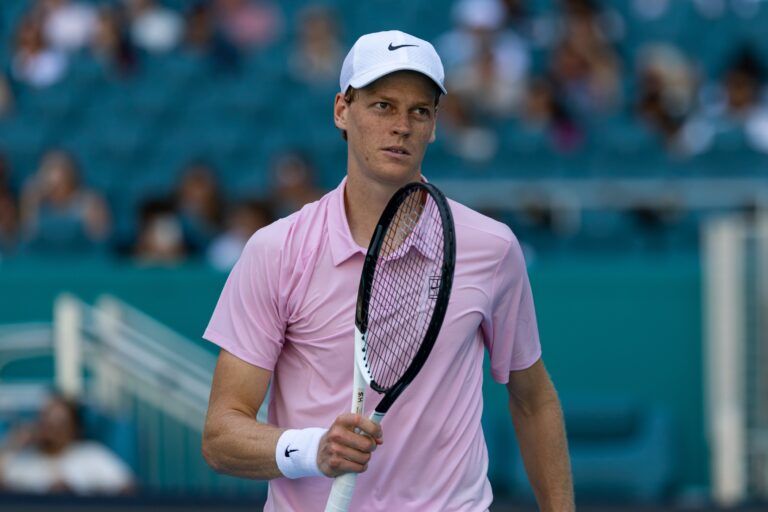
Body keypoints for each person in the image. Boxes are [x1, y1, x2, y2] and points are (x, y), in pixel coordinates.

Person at [202, 30, 574, 511]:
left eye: (419, 110)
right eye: (382, 106)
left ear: (435, 125)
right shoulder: (275, 251)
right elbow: (220, 435)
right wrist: (312, 450)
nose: (402, 125)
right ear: (342, 111)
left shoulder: (493, 249)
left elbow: (533, 399)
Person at [0, 393, 134, 495]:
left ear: (73, 428)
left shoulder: (92, 455)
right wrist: (14, 443)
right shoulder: (23, 461)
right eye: (46, 421)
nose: (51, 429)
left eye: (59, 423)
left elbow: (127, 488)